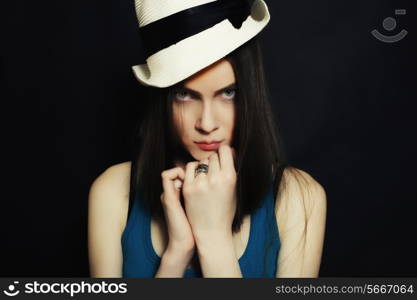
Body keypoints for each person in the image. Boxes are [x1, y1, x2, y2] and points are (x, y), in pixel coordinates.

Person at [88, 0, 326, 278]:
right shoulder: (114, 192)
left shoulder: (298, 197)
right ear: (163, 99)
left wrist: (213, 239)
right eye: (185, 95)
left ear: (250, 92)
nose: (207, 124)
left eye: (228, 93)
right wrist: (176, 254)